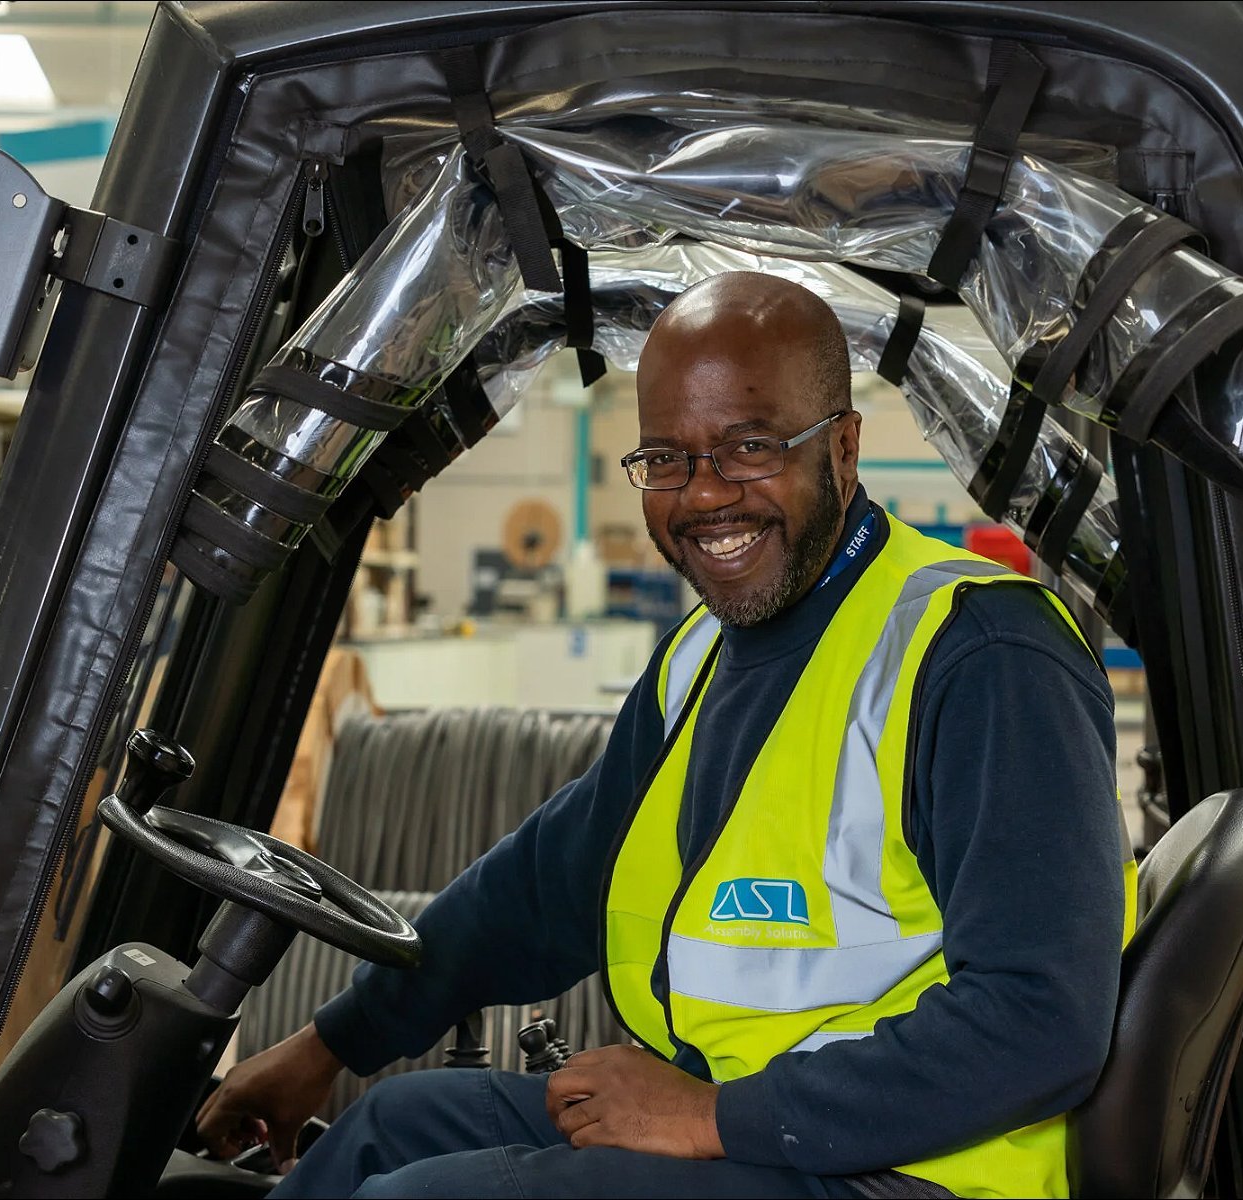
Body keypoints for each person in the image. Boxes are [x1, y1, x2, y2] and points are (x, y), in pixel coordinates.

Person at [199, 271, 1133, 1199]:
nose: (702, 496)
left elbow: (1039, 1018)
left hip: (910, 1171)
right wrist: (330, 1044)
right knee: (385, 1132)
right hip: (754, 1127)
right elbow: (544, 888)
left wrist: (708, 1119)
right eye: (668, 458)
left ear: (844, 450)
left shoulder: (979, 654)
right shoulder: (704, 653)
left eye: (747, 446)